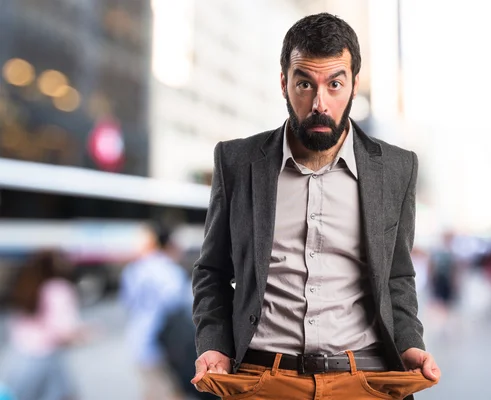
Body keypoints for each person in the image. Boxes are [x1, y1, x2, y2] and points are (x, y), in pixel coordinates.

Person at [191, 13, 440, 399]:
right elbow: (211, 271)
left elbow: (397, 276)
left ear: (355, 85)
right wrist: (213, 343)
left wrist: (409, 341)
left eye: (335, 84)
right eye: (305, 83)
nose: (319, 103)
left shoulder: (396, 168)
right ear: (284, 83)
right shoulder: (237, 162)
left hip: (363, 378)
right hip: (263, 378)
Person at [121, 225, 217, 400]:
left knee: (153, 389)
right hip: (165, 344)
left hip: (139, 339)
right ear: (169, 244)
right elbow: (179, 306)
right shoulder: (169, 271)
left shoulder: (133, 269)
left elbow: (128, 303)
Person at [1, 250, 87, 400]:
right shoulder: (58, 288)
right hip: (47, 359)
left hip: (20, 359)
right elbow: (64, 331)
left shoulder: (25, 284)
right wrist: (85, 333)